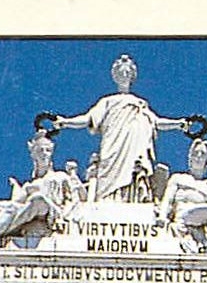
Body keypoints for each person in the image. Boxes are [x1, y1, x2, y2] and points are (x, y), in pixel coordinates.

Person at [50, 55, 192, 203]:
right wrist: (65, 122)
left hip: (134, 147)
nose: (124, 76)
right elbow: (88, 119)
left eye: (127, 73)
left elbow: (156, 122)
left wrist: (178, 124)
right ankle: (107, 201)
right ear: (115, 76)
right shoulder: (107, 101)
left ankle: (133, 200)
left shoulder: (140, 103)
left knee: (134, 172)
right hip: (113, 145)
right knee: (108, 175)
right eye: (121, 73)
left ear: (132, 77)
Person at [0, 130, 83, 248]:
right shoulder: (29, 185)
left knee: (37, 198)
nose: (44, 153)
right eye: (40, 150)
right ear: (34, 154)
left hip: (53, 212)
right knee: (13, 207)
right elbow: (15, 204)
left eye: (48, 150)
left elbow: (77, 199)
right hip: (32, 210)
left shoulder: (60, 176)